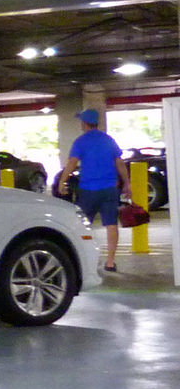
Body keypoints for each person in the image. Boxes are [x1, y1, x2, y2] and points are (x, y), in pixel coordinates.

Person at [63, 107, 125, 272]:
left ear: (84, 123)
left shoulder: (81, 141)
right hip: (110, 189)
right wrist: (128, 182)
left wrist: (62, 181)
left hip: (88, 190)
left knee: (82, 225)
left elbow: (72, 163)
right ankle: (110, 262)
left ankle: (84, 261)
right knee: (111, 224)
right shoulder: (108, 140)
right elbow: (119, 162)